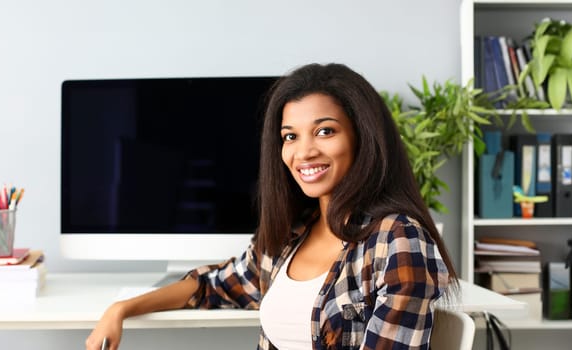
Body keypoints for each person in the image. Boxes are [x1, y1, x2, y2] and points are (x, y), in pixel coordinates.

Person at [86, 63, 458, 350]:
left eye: (325, 131)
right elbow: (208, 287)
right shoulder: (288, 238)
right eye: (290, 137)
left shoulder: (398, 239)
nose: (304, 151)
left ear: (364, 137)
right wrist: (120, 310)